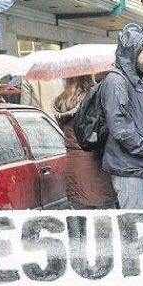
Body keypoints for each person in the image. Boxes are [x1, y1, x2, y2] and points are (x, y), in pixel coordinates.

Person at [101, 23, 143, 209]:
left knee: (140, 225)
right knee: (133, 230)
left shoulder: (135, 82)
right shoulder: (117, 81)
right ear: (131, 53)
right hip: (128, 169)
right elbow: (121, 129)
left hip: (137, 167)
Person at [53, 74, 117, 209]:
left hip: (73, 165)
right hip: (94, 163)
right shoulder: (92, 99)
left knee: (81, 218)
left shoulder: (61, 101)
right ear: (88, 77)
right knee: (103, 218)